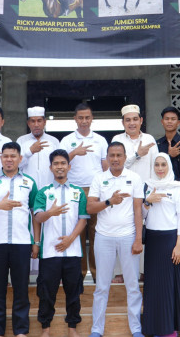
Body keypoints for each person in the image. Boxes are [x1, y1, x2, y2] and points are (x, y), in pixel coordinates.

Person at [0, 142, 39, 337]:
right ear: (1, 158)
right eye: (5, 156)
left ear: (20, 158)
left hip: (21, 243)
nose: (9, 159)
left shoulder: (29, 182)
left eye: (13, 156)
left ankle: (21, 331)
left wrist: (36, 242)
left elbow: (36, 215)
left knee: (21, 289)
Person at [86, 142, 144, 337]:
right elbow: (90, 208)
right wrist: (109, 201)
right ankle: (96, 329)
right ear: (107, 157)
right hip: (104, 237)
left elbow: (138, 210)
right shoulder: (99, 178)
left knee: (132, 286)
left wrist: (138, 239)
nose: (115, 158)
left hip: (128, 237)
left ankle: (136, 329)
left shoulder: (135, 178)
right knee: (102, 286)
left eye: (119, 155)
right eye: (112, 155)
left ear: (125, 156)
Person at [33, 149, 88, 337]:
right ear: (51, 167)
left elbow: (83, 219)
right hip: (50, 252)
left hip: (72, 252)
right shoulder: (43, 192)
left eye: (63, 163)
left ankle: (72, 328)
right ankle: (46, 329)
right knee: (46, 292)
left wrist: (71, 239)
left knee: (74, 292)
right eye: (56, 164)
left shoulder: (78, 192)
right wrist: (50, 213)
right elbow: (38, 217)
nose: (59, 167)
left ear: (69, 166)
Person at [141, 153, 180, 336]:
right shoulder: (147, 186)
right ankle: (155, 328)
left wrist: (179, 245)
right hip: (154, 243)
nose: (160, 168)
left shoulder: (178, 187)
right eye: (157, 165)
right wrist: (147, 202)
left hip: (171, 241)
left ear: (169, 166)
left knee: (170, 287)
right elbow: (142, 217)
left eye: (163, 164)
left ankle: (170, 329)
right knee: (154, 287)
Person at [59, 102, 108, 282]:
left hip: (95, 191)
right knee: (77, 234)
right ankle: (77, 277)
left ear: (92, 118)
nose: (84, 121)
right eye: (81, 118)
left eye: (87, 117)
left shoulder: (100, 140)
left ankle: (97, 276)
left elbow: (105, 167)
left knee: (97, 234)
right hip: (74, 191)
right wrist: (73, 152)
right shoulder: (66, 140)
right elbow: (60, 164)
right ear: (75, 119)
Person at [18, 106, 60, 190]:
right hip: (27, 188)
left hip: (49, 187)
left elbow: (58, 165)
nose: (36, 125)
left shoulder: (54, 141)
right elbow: (16, 165)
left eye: (39, 121)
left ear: (44, 122)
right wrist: (30, 151)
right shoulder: (21, 141)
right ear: (28, 123)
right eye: (33, 121)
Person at [114, 104, 158, 182]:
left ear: (141, 120)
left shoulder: (149, 139)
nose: (132, 123)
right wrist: (137, 155)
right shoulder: (117, 140)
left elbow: (156, 166)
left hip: (145, 188)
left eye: (135, 119)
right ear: (122, 123)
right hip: (123, 188)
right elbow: (116, 167)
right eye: (128, 120)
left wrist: (152, 188)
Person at [156, 106, 180, 187]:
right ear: (162, 122)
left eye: (173, 119)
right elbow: (156, 168)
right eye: (167, 119)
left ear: (178, 123)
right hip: (161, 187)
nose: (169, 121)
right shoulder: (157, 144)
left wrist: (178, 187)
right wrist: (169, 155)